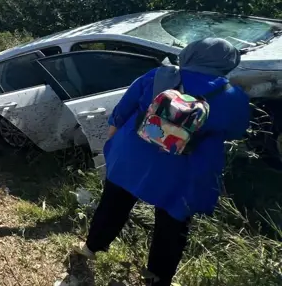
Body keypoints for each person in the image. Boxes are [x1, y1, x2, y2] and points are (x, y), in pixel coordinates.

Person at [73, 38, 250, 285]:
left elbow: (122, 111)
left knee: (114, 202)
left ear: (190, 53)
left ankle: (91, 247)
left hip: (134, 153)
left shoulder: (159, 75)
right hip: (185, 166)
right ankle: (158, 277)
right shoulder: (233, 96)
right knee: (173, 221)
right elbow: (235, 131)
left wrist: (114, 149)